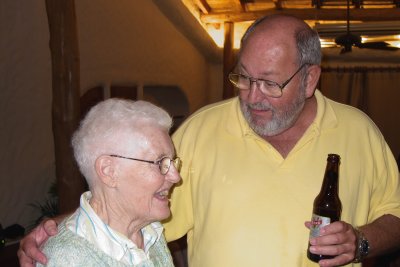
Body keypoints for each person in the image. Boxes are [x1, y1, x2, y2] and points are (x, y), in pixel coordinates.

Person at [19, 14, 400, 267]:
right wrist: (58, 228)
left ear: (310, 79)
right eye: (244, 78)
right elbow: (128, 203)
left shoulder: (359, 132)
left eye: (269, 83)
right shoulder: (201, 131)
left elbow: (396, 214)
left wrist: (360, 242)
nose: (252, 96)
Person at [32, 98, 181, 266]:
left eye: (172, 162)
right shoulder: (67, 260)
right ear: (109, 171)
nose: (176, 177)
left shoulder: (150, 234)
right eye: (161, 163)